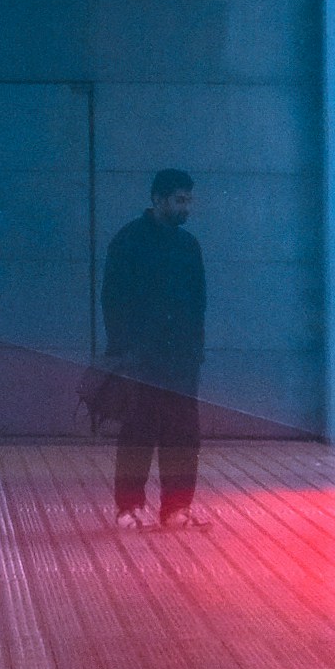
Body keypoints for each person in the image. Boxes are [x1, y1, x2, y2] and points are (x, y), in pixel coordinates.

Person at [102, 168, 208, 529]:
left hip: (180, 360)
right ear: (157, 199)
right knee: (138, 431)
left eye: (188, 199)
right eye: (179, 199)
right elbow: (112, 300)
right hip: (141, 359)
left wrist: (194, 350)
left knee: (183, 434)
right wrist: (122, 352)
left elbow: (198, 303)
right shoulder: (129, 241)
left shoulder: (188, 245)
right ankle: (129, 507)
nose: (186, 207)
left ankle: (176, 507)